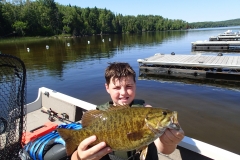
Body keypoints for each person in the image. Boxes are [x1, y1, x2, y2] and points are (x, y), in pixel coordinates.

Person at [71, 62, 185, 160]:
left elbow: (163, 149)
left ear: (135, 85)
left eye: (129, 86)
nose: (123, 93)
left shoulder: (146, 109)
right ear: (107, 88)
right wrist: (79, 157)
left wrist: (170, 142)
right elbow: (75, 156)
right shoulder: (99, 116)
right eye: (116, 88)